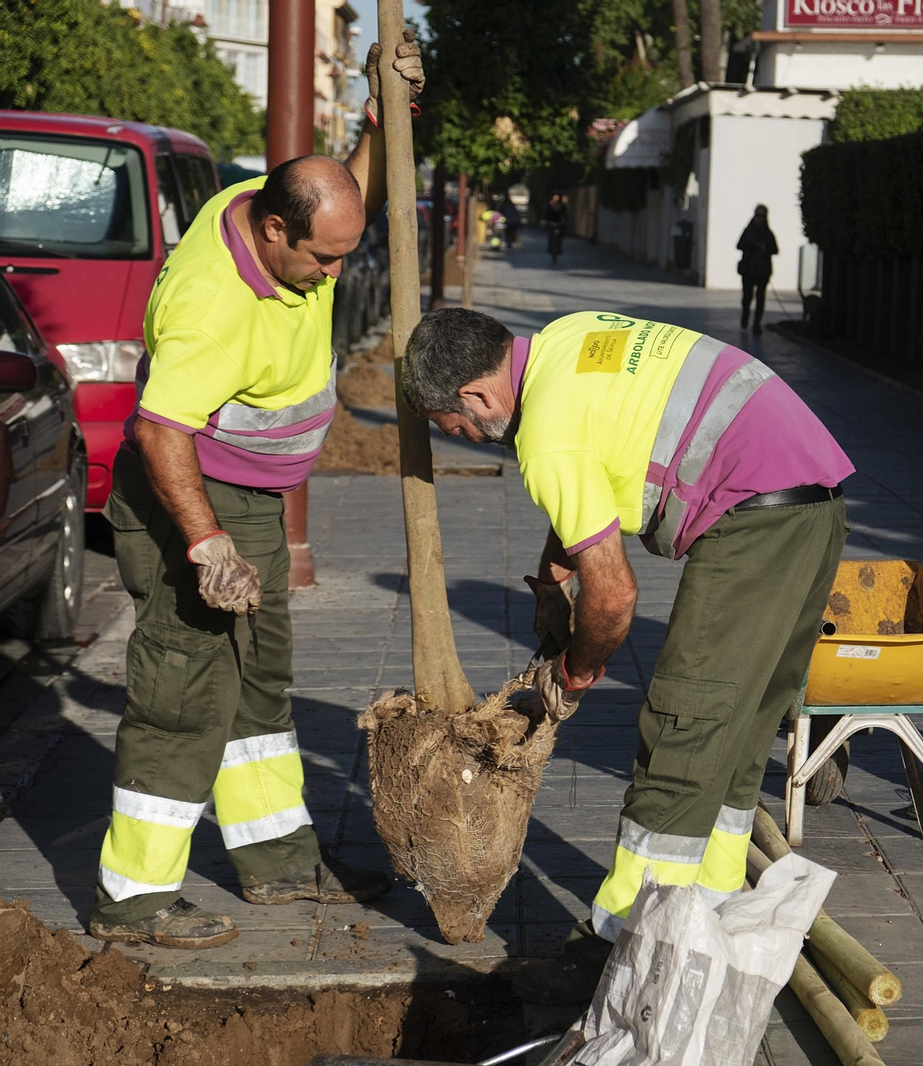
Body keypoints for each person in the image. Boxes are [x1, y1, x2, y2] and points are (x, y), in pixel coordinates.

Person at [400, 307, 854, 1003]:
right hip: (814, 502)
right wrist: (555, 570)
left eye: (449, 425)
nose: (459, 437)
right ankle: (709, 908)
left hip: (754, 518)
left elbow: (612, 599)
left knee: (683, 726)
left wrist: (574, 674)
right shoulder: (566, 340)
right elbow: (601, 454)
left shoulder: (543, 438)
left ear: (475, 396)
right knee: (735, 736)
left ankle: (619, 943)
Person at [86, 34, 428, 949]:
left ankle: (277, 865)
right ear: (275, 231)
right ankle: (133, 898)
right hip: (188, 502)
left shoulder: (280, 208)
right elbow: (161, 431)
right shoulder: (213, 303)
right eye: (324, 260)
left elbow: (348, 185)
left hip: (254, 502)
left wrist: (378, 119)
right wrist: (206, 545)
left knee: (258, 687)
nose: (334, 275)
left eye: (344, 255)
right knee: (183, 693)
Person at [737, 205, 779, 335]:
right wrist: (751, 245)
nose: (760, 218)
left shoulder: (768, 234)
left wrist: (764, 248)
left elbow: (775, 250)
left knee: (760, 299)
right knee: (747, 297)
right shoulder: (748, 231)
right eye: (758, 215)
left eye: (762, 216)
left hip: (762, 271)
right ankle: (745, 317)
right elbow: (739, 245)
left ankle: (756, 324)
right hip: (748, 270)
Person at [543, 194, 567, 265]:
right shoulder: (549, 206)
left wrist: (566, 221)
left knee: (559, 237)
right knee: (551, 236)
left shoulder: (562, 206)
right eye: (554, 198)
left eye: (557, 198)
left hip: (559, 224)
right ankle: (550, 248)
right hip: (551, 224)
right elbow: (546, 214)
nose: (555, 200)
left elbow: (565, 214)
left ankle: (559, 249)